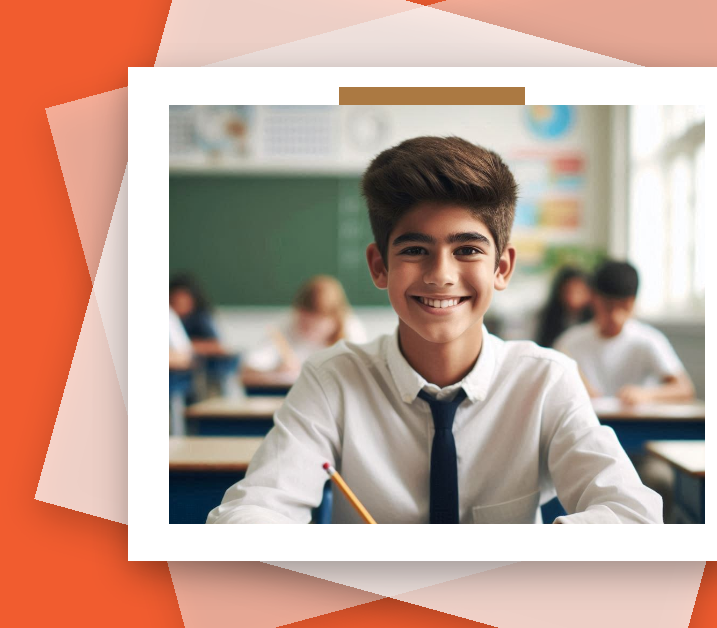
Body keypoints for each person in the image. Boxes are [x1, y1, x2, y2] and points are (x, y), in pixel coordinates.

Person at [208, 136, 661, 524]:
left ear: (501, 268)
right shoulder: (333, 380)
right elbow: (256, 509)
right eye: (415, 250)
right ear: (379, 266)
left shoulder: (545, 380)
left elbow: (632, 512)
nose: (441, 274)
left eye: (467, 249)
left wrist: (515, 560)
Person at [554, 261, 696, 406]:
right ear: (594, 299)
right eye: (608, 307)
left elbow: (684, 389)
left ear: (634, 303)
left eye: (624, 307)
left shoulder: (648, 340)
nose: (616, 316)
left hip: (636, 425)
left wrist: (646, 394)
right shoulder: (569, 342)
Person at [241, 275, 368, 376]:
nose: (308, 330)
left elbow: (362, 374)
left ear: (335, 320)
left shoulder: (351, 330)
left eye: (316, 326)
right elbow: (248, 368)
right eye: (304, 323)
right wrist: (274, 372)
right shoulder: (286, 324)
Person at [534, 265, 593, 348]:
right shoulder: (548, 318)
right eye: (569, 291)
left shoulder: (595, 321)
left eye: (579, 292)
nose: (573, 297)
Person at [169, 272, 224, 355]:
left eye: (183, 302)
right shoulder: (170, 318)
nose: (179, 306)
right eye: (174, 302)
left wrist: (187, 345)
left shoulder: (200, 318)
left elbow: (218, 346)